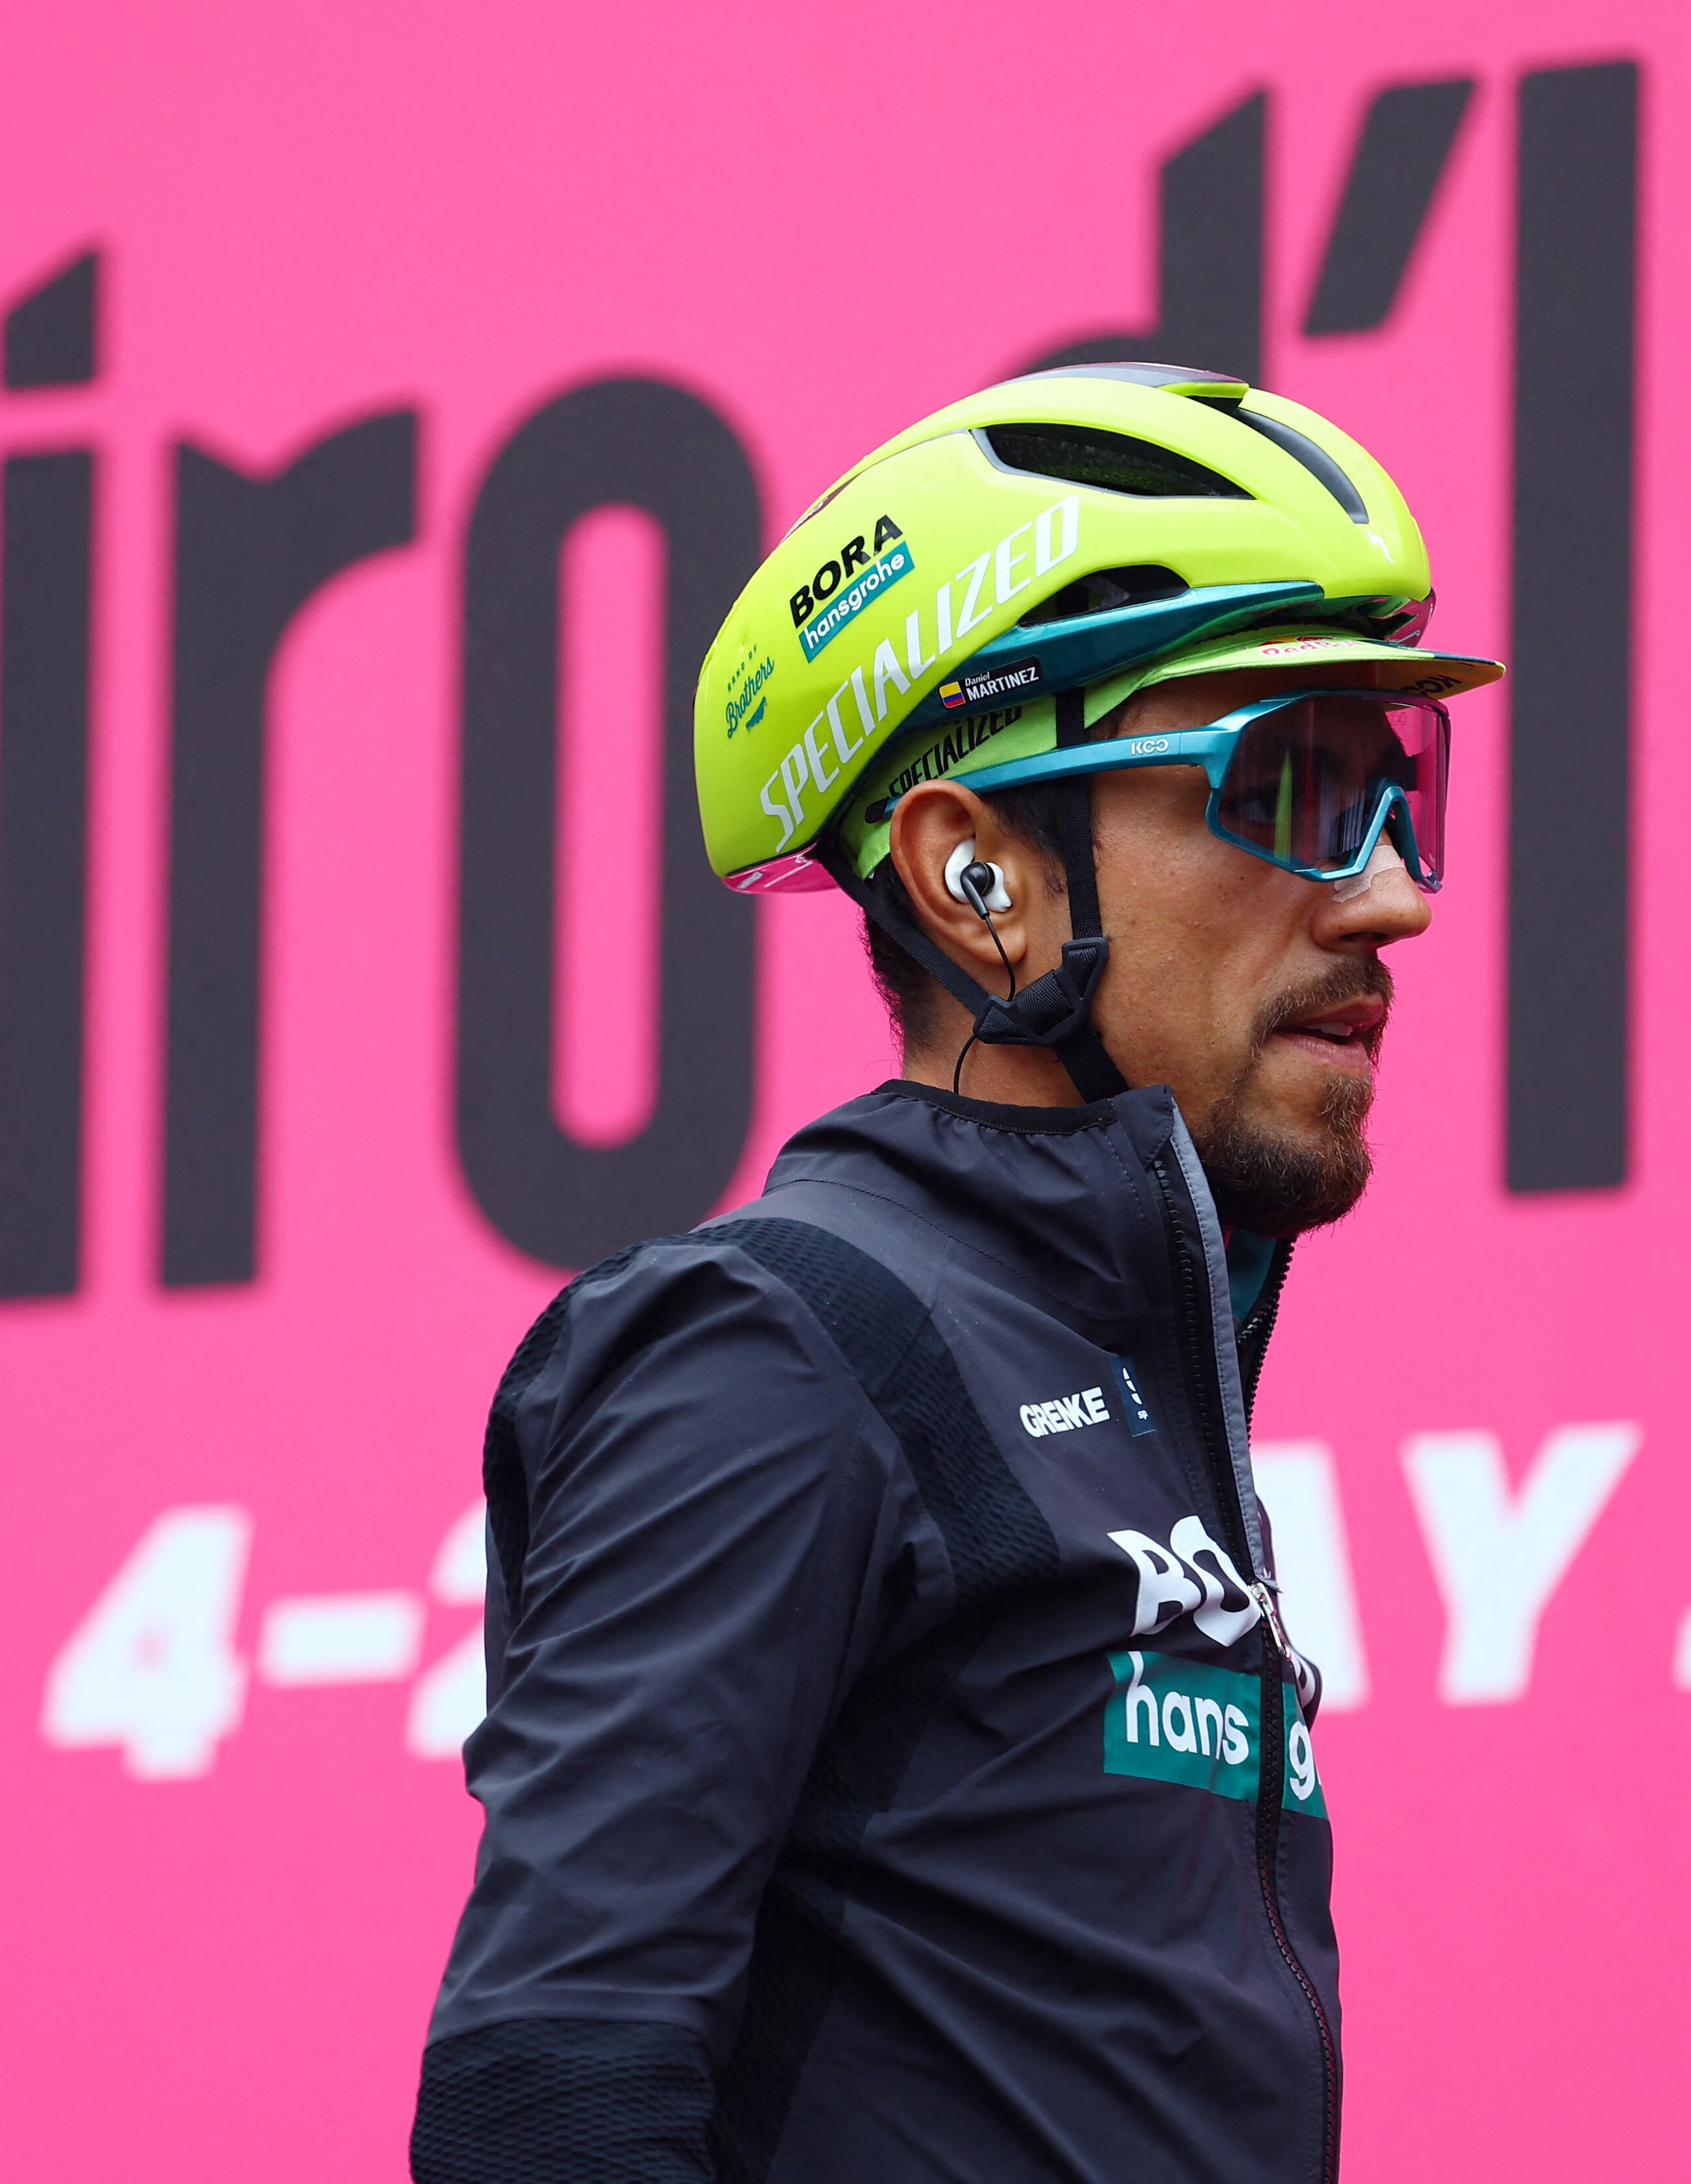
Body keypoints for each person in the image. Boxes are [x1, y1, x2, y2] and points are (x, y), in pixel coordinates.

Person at [410, 364, 1502, 2184]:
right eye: (1296, 785)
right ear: (977, 869)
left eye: (1399, 793)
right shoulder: (773, 1348)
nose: (1392, 896)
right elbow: (551, 2099)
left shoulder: (1131, 1391)